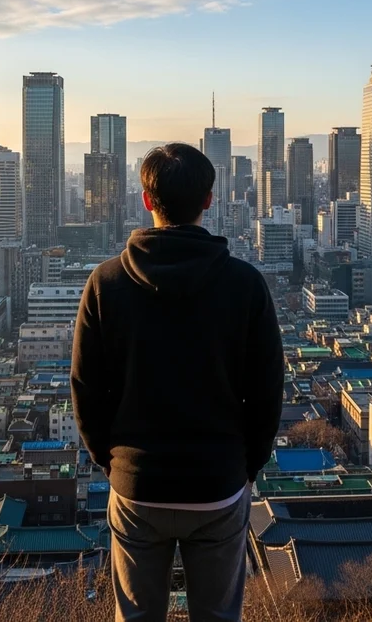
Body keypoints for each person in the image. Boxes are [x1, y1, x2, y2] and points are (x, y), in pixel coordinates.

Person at [71, 143, 284, 621]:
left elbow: (85, 389)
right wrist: (247, 464)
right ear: (209, 200)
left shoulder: (105, 284)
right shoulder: (245, 285)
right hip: (218, 482)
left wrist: (114, 462)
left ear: (146, 200)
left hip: (136, 484)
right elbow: (268, 390)